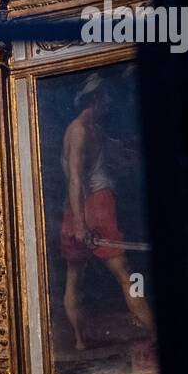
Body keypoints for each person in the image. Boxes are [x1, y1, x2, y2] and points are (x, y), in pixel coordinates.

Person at [60, 73, 153, 351]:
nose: (109, 102)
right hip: (94, 205)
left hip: (84, 206)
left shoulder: (94, 129)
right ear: (95, 98)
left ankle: (79, 341)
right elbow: (76, 178)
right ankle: (156, 332)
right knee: (123, 272)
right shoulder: (79, 130)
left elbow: (116, 155)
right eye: (105, 97)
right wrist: (80, 223)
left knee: (76, 275)